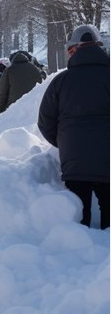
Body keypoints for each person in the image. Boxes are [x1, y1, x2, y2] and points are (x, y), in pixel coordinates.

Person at [37, 24, 109, 229]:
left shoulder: (61, 81)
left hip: (74, 158)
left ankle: (76, 253)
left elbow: (45, 121)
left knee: (77, 213)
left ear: (74, 49)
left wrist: (64, 141)